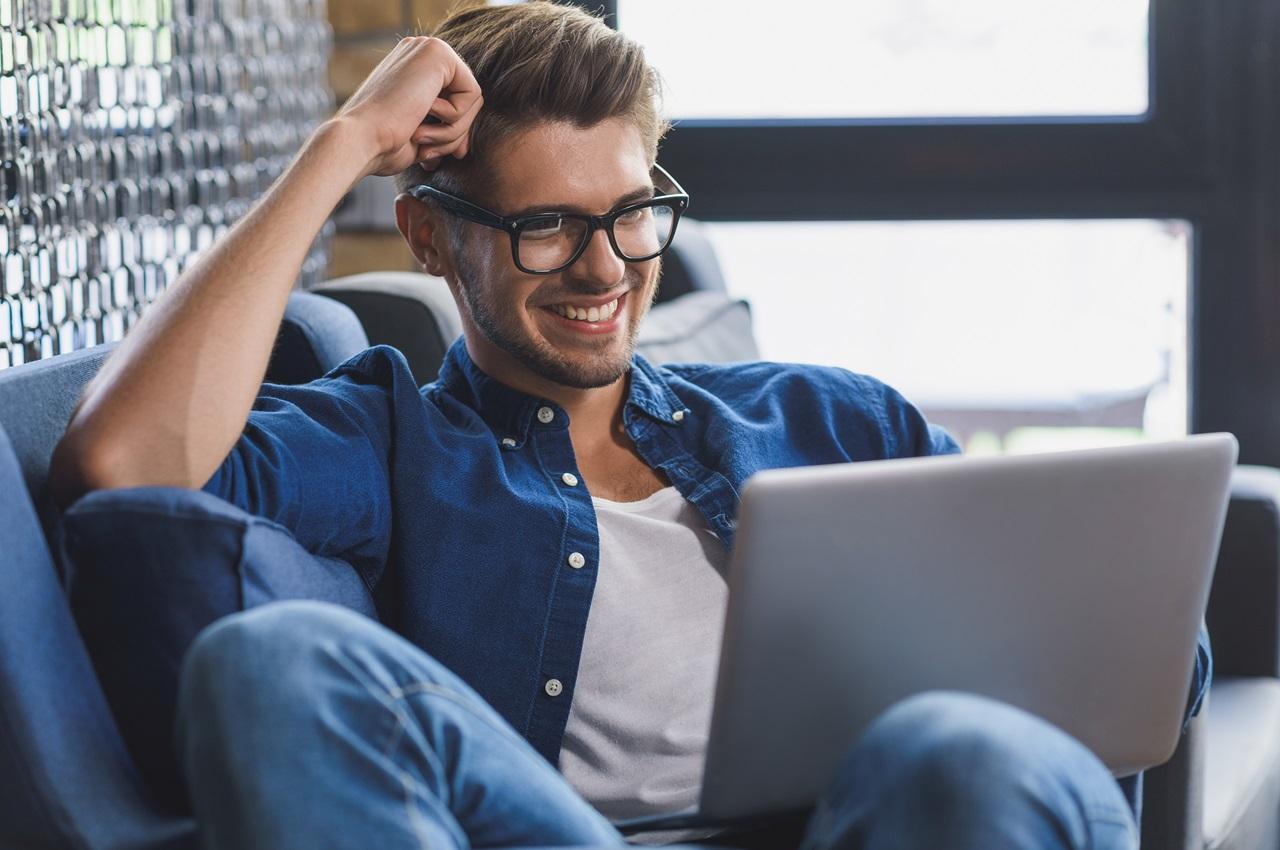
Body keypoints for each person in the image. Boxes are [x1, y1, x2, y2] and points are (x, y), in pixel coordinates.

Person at [49, 3, 1206, 849]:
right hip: (566, 833)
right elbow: (121, 460)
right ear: (428, 236)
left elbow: (1159, 671)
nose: (604, 268)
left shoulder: (829, 416)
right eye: (545, 225)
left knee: (962, 751)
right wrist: (342, 141)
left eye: (632, 213)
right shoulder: (391, 439)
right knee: (269, 658)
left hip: (860, 826)